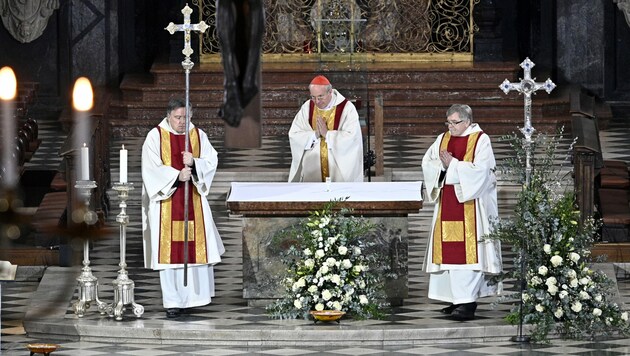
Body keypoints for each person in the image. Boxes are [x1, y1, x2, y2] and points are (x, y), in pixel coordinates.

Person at [141, 98, 225, 318]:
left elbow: (212, 160)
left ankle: (195, 298)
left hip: (193, 200)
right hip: (167, 202)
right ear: (169, 115)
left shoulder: (198, 135)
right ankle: (172, 302)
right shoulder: (155, 136)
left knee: (193, 248)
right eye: (178, 117)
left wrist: (195, 162)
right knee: (170, 252)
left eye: (186, 117)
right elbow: (151, 169)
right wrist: (176, 176)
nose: (181, 122)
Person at [421, 104, 502, 321]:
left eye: (455, 122)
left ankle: (467, 303)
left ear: (467, 121)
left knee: (470, 254)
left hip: (471, 206)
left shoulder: (481, 140)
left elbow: (482, 172)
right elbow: (428, 162)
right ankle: (456, 300)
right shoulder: (443, 138)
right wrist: (443, 168)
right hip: (448, 202)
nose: (451, 126)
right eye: (448, 122)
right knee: (448, 255)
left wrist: (454, 165)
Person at [288, 75, 363, 182]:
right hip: (312, 168)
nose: (317, 101)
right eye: (313, 97)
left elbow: (352, 138)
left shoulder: (347, 108)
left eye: (320, 97)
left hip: (337, 169)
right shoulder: (307, 107)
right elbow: (294, 134)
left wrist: (327, 134)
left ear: (330, 92)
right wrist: (314, 135)